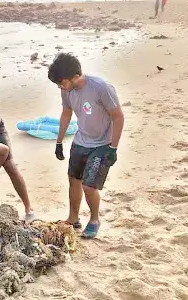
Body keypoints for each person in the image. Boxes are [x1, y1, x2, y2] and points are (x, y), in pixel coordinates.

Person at [48, 53, 124, 239]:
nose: (60, 87)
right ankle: (73, 218)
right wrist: (59, 142)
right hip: (80, 141)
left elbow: (118, 116)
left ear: (75, 76)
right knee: (73, 180)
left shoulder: (101, 88)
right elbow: (66, 114)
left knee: (89, 186)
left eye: (62, 82)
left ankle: (94, 220)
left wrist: (113, 148)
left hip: (102, 144)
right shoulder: (66, 90)